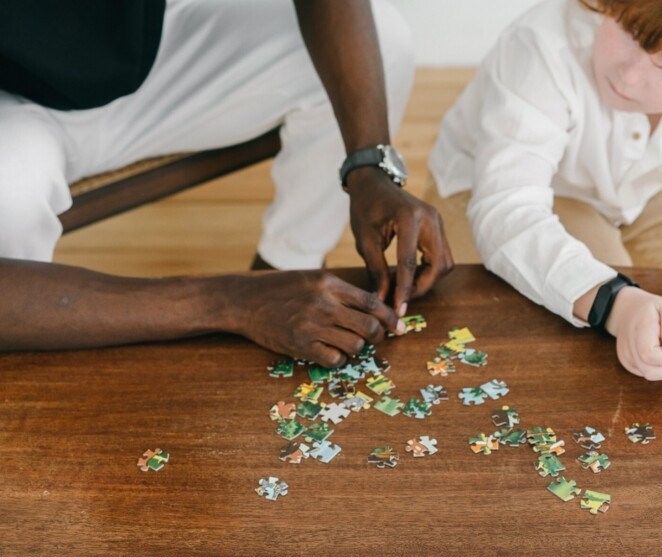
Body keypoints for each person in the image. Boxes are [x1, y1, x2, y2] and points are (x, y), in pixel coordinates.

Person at [0, 0, 453, 366]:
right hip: (12, 106)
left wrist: (369, 163)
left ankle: (285, 275)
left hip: (143, 45)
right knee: (10, 205)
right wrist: (232, 301)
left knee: (385, 39)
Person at [426, 0, 662, 381]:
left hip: (646, 188)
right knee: (592, 338)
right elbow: (505, 208)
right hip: (488, 188)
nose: (630, 76)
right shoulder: (541, 45)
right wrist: (612, 303)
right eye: (632, 32)